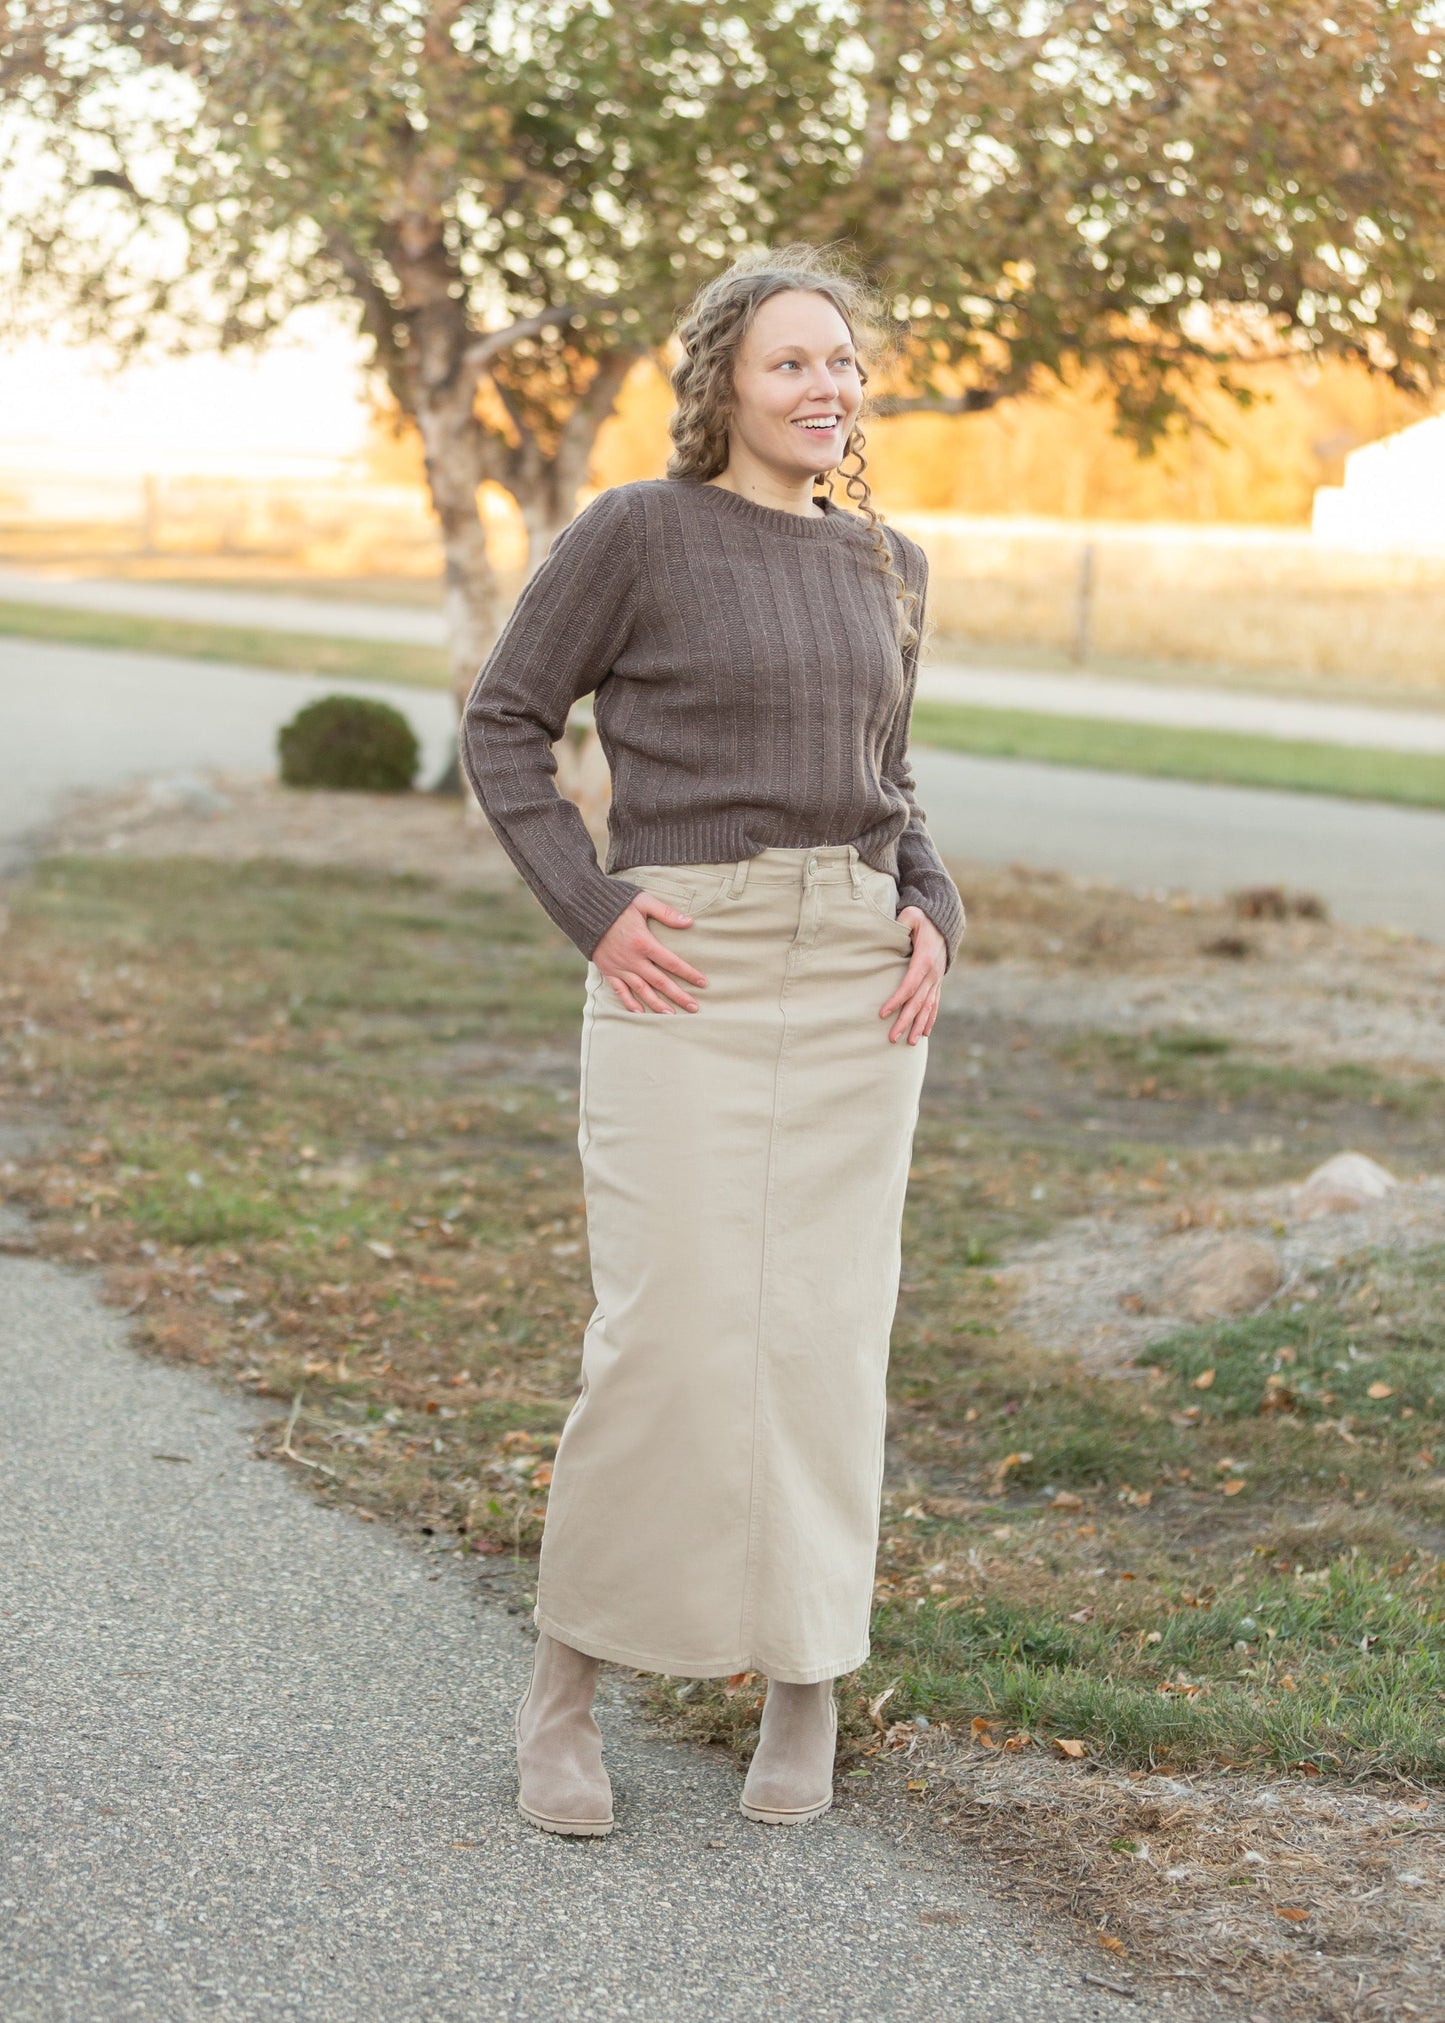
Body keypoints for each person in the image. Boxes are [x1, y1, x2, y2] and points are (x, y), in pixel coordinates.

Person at [460, 242, 966, 1837]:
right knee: (666, 1337)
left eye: (841, 364)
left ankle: (804, 1681)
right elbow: (503, 725)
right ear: (723, 387)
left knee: (823, 1340)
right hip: (684, 962)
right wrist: (593, 909)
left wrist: (934, 910)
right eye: (790, 365)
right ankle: (566, 1690)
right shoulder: (638, 534)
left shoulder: (888, 562)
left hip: (855, 982)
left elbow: (892, 781)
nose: (826, 389)